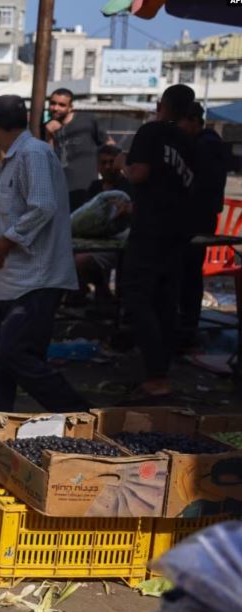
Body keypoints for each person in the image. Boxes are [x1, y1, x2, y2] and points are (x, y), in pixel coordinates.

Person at [0, 95, 90, 439]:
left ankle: (81, 416)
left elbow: (43, 207)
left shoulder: (34, 154)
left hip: (38, 279)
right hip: (14, 277)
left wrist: (5, 239)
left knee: (17, 354)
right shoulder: (16, 157)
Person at [121, 84, 197, 401]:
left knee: (136, 297)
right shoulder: (190, 142)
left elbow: (139, 173)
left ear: (161, 104)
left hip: (150, 230)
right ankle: (161, 374)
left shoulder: (151, 132)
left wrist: (123, 165)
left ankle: (154, 377)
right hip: (178, 233)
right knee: (166, 303)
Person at [178, 101, 228, 351]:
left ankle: (187, 329)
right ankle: (185, 327)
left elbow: (201, 188)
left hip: (197, 221)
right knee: (187, 274)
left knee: (188, 274)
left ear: (194, 121)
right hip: (196, 219)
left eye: (182, 123)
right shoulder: (204, 143)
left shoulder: (206, 146)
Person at [74, 144, 132, 304]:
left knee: (82, 261)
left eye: (112, 162)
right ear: (98, 166)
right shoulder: (95, 187)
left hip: (117, 245)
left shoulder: (127, 186)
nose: (108, 167)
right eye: (103, 163)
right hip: (93, 241)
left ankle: (103, 292)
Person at [46, 88, 113, 211]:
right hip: (59, 193)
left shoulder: (86, 121)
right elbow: (47, 159)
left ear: (70, 107)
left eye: (61, 105)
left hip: (86, 191)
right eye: (53, 103)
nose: (56, 108)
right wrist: (49, 135)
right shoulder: (47, 128)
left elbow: (109, 145)